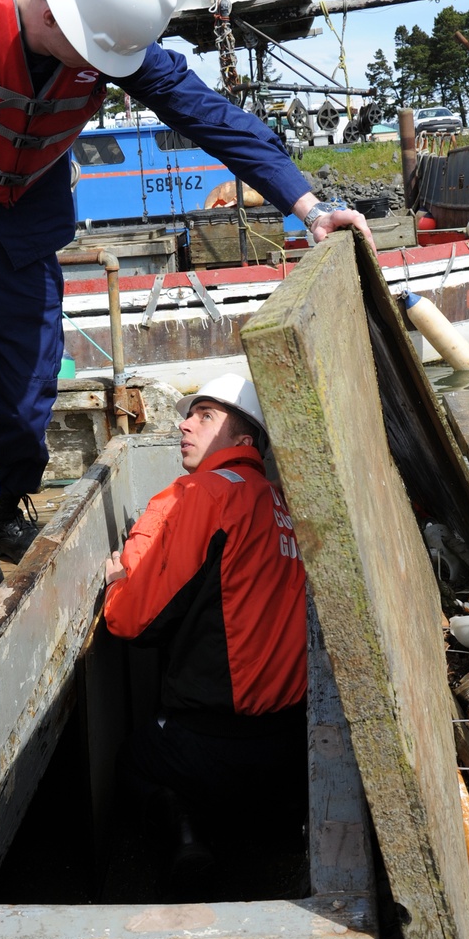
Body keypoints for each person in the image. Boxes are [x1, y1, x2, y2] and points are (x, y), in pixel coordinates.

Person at [0, 0, 372, 615]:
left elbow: (208, 114)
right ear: (55, 21)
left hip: (25, 218)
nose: (104, 75)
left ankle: (8, 492)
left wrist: (309, 206)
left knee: (28, 385)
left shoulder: (108, 32)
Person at [103, 373, 307, 893]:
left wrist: (118, 580)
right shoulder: (283, 502)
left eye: (205, 416)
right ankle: (271, 826)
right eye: (190, 413)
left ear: (243, 441)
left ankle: (187, 846)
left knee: (133, 765)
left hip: (213, 743)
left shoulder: (205, 494)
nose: (184, 422)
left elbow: (133, 623)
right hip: (287, 742)